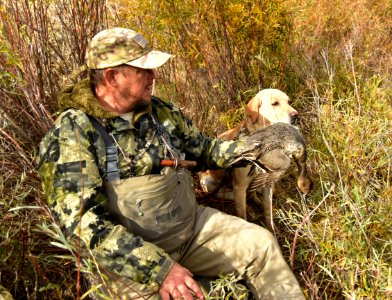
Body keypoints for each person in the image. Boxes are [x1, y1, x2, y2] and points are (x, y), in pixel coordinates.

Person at [37, 27, 305, 300]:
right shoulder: (71, 135)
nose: (154, 75)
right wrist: (160, 268)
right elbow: (82, 225)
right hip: (130, 265)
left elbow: (203, 149)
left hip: (190, 229)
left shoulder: (159, 111)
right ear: (112, 76)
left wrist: (255, 145)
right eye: (144, 69)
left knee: (261, 245)